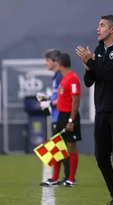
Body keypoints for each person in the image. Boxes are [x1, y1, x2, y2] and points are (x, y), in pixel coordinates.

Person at [76, 14, 113, 205]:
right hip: (101, 110)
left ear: (112, 30)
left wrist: (92, 64)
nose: (97, 29)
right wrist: (88, 66)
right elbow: (89, 82)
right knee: (101, 157)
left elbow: (111, 74)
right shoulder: (99, 50)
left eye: (101, 25)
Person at [41, 53, 82, 188]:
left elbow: (75, 100)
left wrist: (71, 119)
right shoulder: (64, 79)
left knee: (71, 147)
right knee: (56, 146)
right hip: (61, 116)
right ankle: (55, 178)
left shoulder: (73, 78)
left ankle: (70, 179)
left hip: (69, 116)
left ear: (59, 64)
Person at [39, 49, 71, 186]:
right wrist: (47, 99)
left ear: (55, 62)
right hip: (56, 115)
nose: (46, 63)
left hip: (60, 116)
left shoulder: (59, 77)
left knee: (60, 147)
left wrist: (48, 103)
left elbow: (63, 97)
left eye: (48, 61)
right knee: (57, 148)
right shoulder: (56, 77)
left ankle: (67, 177)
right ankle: (59, 177)